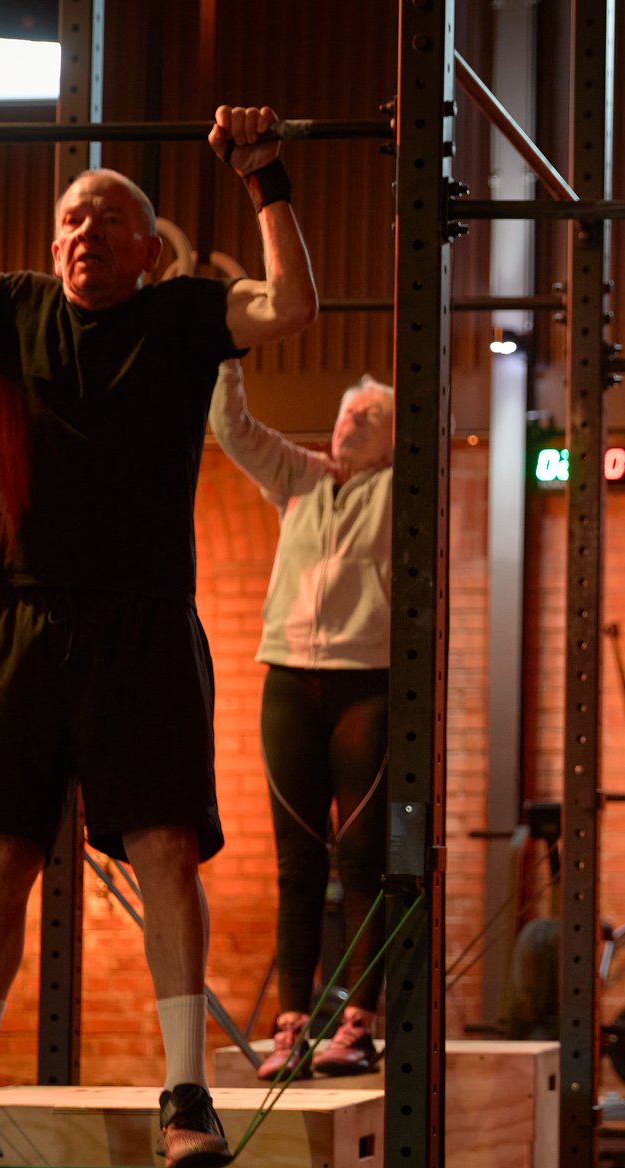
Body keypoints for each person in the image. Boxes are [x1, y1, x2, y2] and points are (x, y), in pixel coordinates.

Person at [0, 102, 319, 1168]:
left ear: (147, 250)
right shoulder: (12, 309)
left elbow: (293, 305)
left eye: (106, 221)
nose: (82, 235)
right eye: (69, 219)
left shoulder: (185, 317)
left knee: (163, 848)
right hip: (18, 614)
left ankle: (186, 1091)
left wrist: (264, 177)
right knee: (0, 852)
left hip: (141, 621)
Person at [209, 357, 392, 1079]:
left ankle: (358, 1023)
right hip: (288, 674)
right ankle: (291, 1024)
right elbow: (232, 428)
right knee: (298, 861)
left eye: (367, 419)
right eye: (346, 413)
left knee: (364, 861)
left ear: (391, 441)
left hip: (366, 684)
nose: (347, 425)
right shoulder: (301, 480)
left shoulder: (400, 493)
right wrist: (229, 350)